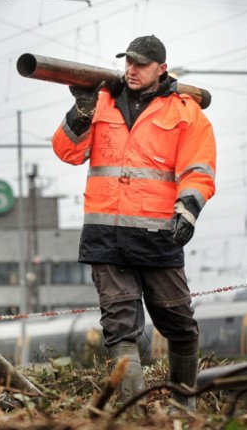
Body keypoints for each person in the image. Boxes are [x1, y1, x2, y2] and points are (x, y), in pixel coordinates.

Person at [51, 36, 216, 409]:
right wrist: (81, 110)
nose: (131, 70)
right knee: (120, 328)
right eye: (128, 63)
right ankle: (134, 412)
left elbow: (199, 170)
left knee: (180, 325)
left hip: (158, 236)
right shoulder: (102, 102)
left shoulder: (186, 112)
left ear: (161, 68)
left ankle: (183, 405)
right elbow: (67, 152)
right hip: (106, 237)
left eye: (140, 64)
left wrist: (187, 213)